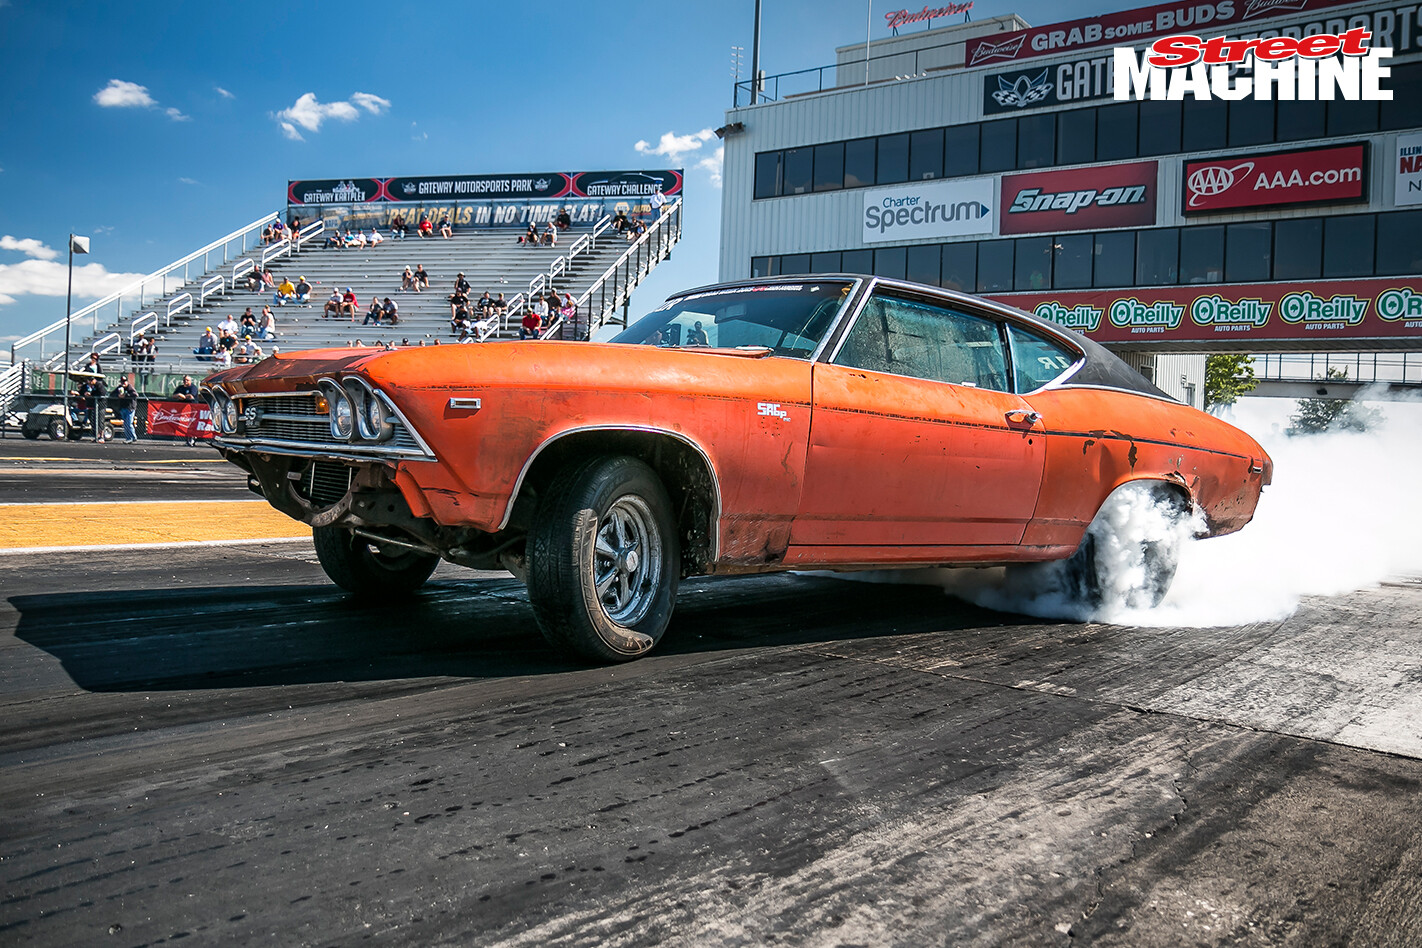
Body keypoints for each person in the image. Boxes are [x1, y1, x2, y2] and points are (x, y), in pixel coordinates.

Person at [112, 376, 138, 443]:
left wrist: (126, 395)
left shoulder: (130, 387)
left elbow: (135, 394)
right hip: (123, 408)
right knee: (125, 424)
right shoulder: (119, 388)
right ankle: (128, 438)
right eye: (122, 382)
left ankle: (133, 437)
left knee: (129, 423)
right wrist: (118, 395)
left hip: (130, 408)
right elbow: (112, 394)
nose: (123, 383)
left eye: (124, 382)